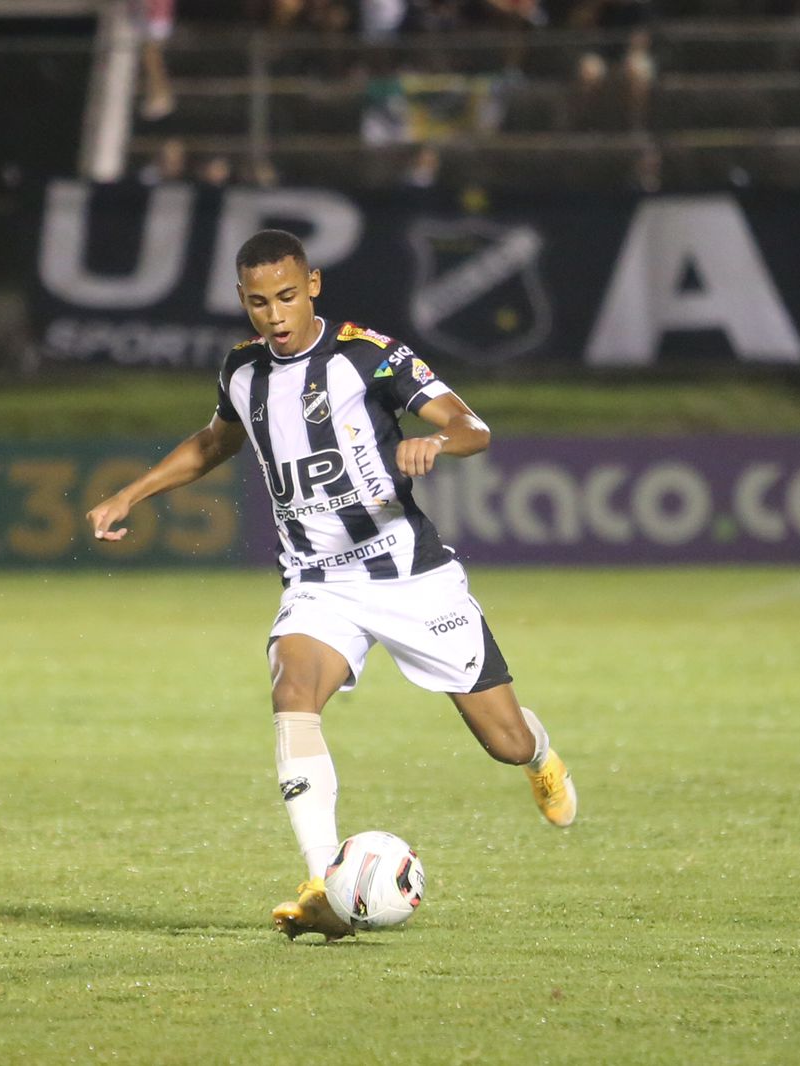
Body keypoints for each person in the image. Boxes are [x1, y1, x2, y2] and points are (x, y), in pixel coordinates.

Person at [85, 229, 577, 942]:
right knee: (292, 687)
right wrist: (132, 493)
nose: (274, 315)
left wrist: (435, 442)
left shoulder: (368, 355)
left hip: (409, 576)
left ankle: (540, 757)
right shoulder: (242, 370)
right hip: (319, 580)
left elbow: (472, 425)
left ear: (312, 284)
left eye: (286, 296)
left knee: (503, 740)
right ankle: (323, 885)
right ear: (242, 302)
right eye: (258, 303)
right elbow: (213, 441)